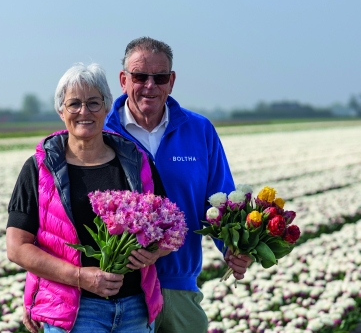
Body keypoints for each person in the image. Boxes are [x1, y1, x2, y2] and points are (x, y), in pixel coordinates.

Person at [103, 36, 253, 333]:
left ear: (171, 81)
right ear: (123, 80)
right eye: (140, 76)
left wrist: (233, 248)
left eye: (159, 77)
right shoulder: (103, 133)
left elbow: (221, 202)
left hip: (179, 287)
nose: (150, 85)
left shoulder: (199, 130)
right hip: (119, 291)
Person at [6, 63, 169, 333]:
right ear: (61, 111)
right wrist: (81, 277)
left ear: (107, 108)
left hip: (135, 309)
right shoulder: (39, 169)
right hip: (73, 312)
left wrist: (153, 252)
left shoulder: (136, 162)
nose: (84, 112)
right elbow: (17, 248)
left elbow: (169, 228)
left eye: (94, 103)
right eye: (74, 104)